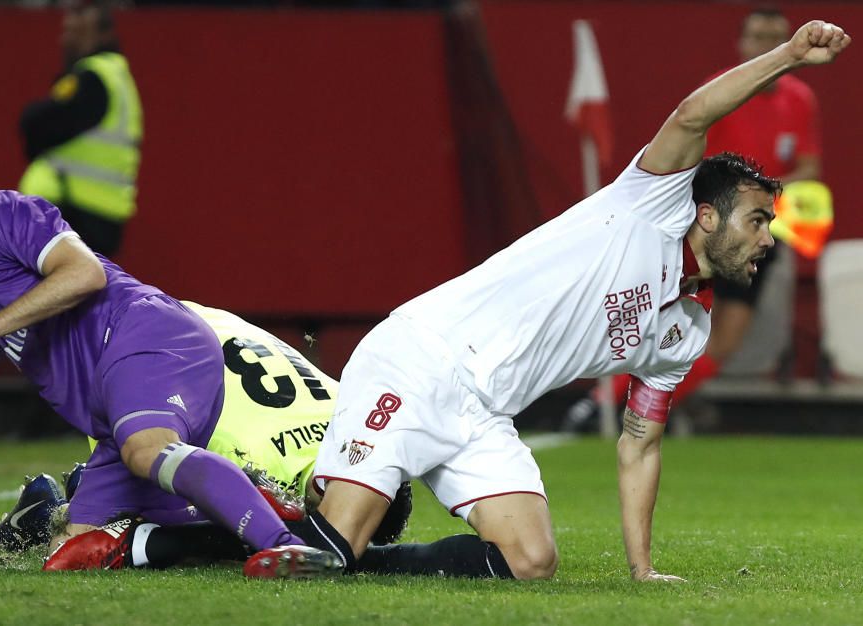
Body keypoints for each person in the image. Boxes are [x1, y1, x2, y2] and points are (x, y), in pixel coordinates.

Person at [239, 20, 849, 581]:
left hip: (483, 413)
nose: (769, 236)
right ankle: (194, 532)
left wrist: (643, 570)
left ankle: (366, 563)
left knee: (530, 560)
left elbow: (640, 444)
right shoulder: (652, 202)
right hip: (424, 359)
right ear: (706, 214)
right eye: (757, 220)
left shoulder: (687, 330)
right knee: (331, 546)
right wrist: (790, 55)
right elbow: (692, 114)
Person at [0, 132, 339, 578]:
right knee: (74, 549)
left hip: (146, 332)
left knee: (146, 450)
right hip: (110, 416)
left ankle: (284, 544)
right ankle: (250, 504)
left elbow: (85, 273)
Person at [0, 301, 412, 570]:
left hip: (195, 321)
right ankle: (44, 512)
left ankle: (87, 486)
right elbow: (229, 520)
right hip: (154, 375)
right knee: (113, 530)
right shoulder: (275, 471)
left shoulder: (353, 411)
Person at [563, 7, 825, 431]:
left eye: (777, 37)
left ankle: (642, 407)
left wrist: (755, 197)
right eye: (759, 37)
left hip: (759, 231)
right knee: (659, 322)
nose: (768, 46)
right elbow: (696, 160)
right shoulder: (721, 91)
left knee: (722, 342)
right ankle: (600, 404)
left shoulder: (801, 100)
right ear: (742, 44)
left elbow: (810, 169)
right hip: (702, 230)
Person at [18, 0, 142, 257]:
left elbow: (39, 126)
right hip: (94, 214)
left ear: (101, 32)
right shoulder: (116, 75)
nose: (67, 28)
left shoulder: (93, 78)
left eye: (77, 20)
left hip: (76, 213)